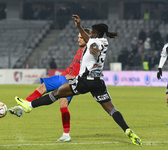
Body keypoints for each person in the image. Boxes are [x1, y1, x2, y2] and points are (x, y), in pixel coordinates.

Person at [14, 14, 142, 146]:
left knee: (57, 93)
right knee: (111, 109)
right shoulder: (104, 41)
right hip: (98, 82)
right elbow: (90, 41)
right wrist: (79, 26)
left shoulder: (93, 43)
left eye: (91, 32)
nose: (89, 34)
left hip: (85, 81)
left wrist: (93, 51)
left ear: (96, 34)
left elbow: (92, 46)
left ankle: (29, 106)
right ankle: (127, 130)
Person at [9, 28, 91, 142]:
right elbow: (72, 67)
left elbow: (87, 70)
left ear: (87, 38)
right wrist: (63, 75)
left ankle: (66, 135)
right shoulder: (79, 51)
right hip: (63, 77)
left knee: (63, 104)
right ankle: (22, 108)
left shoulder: (88, 53)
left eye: (81, 37)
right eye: (78, 37)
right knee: (42, 87)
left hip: (72, 81)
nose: (78, 39)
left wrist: (75, 77)